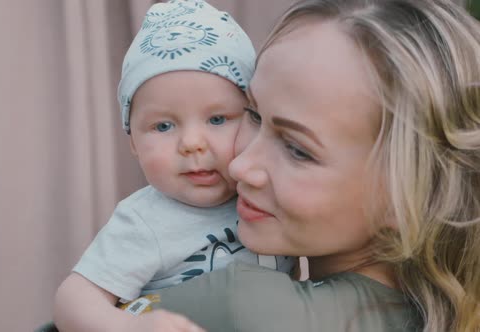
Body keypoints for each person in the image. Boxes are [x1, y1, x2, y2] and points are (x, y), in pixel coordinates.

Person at [116, 0, 480, 331]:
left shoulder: (239, 307)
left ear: (412, 192)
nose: (241, 166)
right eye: (254, 115)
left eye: (297, 150)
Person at [53, 1, 294, 331]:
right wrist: (130, 327)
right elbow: (74, 298)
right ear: (134, 144)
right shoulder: (145, 221)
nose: (192, 143)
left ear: (256, 118)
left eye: (217, 118)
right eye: (164, 126)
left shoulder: (271, 195)